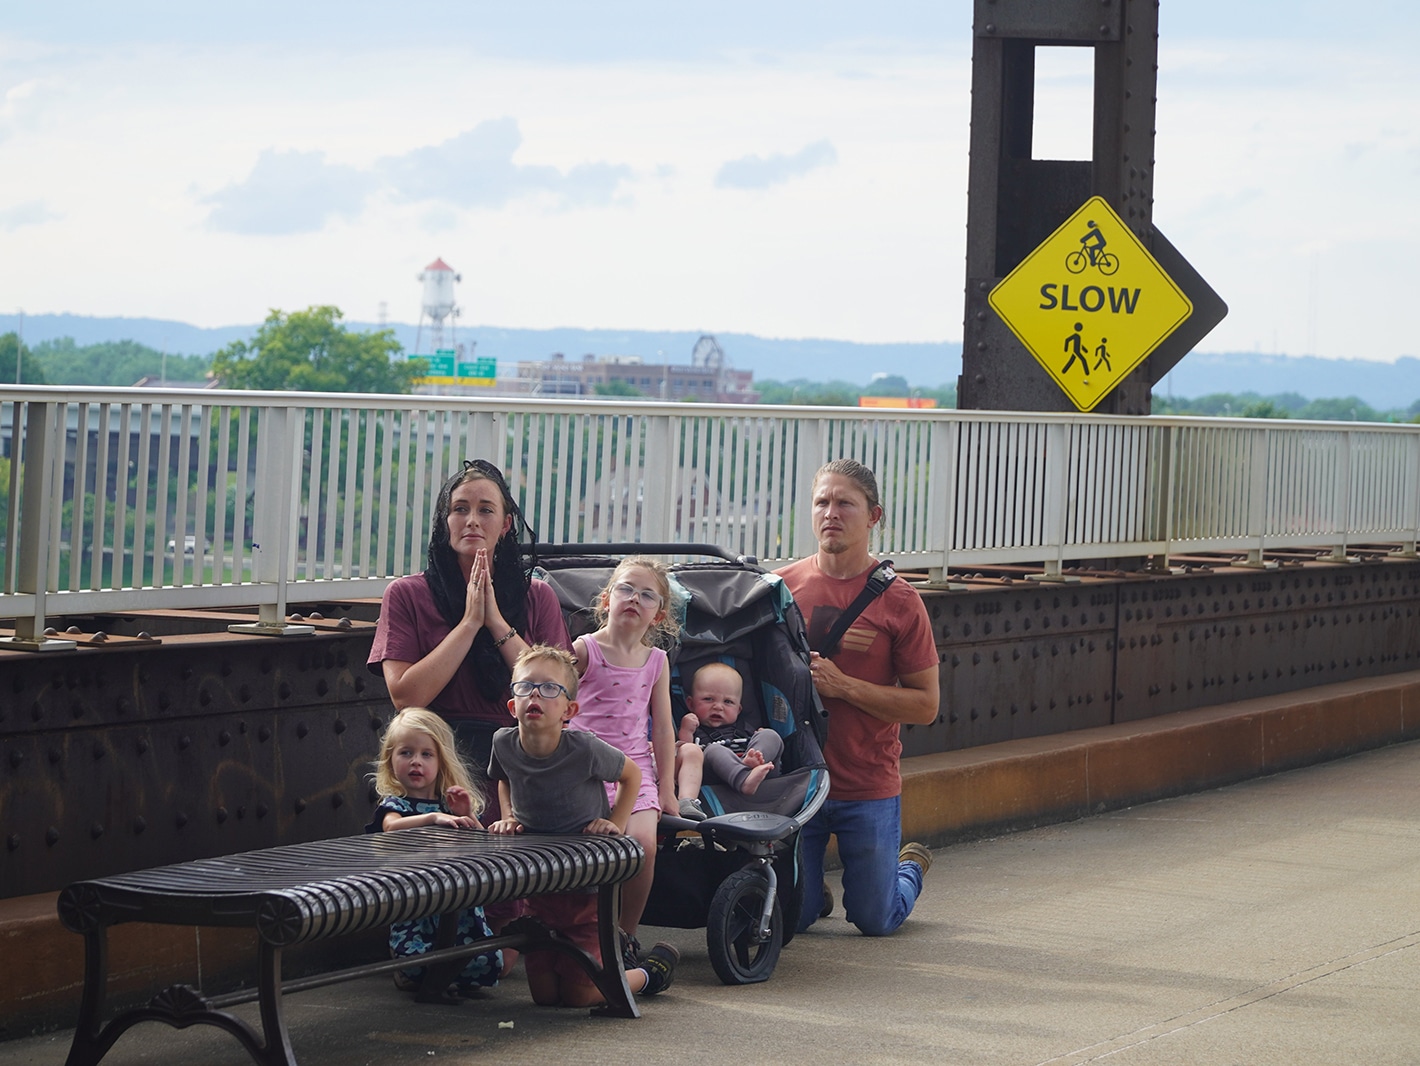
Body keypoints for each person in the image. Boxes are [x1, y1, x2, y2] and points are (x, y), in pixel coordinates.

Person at [776, 458, 940, 936]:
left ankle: (906, 869)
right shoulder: (780, 589)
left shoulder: (901, 600)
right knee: (793, 919)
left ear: (873, 517)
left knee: (875, 919)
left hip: (867, 783)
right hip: (798, 784)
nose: (831, 512)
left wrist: (842, 686)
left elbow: (926, 706)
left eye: (845, 503)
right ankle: (810, 894)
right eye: (821, 502)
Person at [368, 459, 571, 810]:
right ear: (444, 522)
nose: (472, 520)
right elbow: (406, 697)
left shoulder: (537, 596)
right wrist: (468, 624)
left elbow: (556, 691)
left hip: (520, 750)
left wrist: (495, 623)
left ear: (506, 524)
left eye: (485, 510)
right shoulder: (406, 594)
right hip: (437, 756)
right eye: (460, 509)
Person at [488, 645, 678, 1006]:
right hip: (540, 880)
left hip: (587, 885)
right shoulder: (504, 743)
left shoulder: (583, 749)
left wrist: (614, 823)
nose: (535, 696)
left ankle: (648, 973)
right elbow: (503, 777)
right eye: (525, 687)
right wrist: (509, 815)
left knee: (579, 995)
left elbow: (632, 775)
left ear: (569, 710)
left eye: (549, 689)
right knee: (545, 997)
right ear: (512, 705)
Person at [566, 558, 679, 962]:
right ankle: (577, 930)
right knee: (586, 848)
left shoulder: (656, 662)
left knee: (644, 844)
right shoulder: (584, 650)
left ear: (658, 614)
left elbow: (663, 728)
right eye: (626, 589)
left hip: (634, 770)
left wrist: (666, 788)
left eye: (647, 594)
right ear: (606, 599)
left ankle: (623, 935)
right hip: (585, 770)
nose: (635, 598)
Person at [366, 707, 508, 994]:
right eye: (406, 753)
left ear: (441, 761)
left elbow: (481, 844)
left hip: (456, 899)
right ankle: (418, 975)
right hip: (415, 901)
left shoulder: (448, 805)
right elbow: (391, 828)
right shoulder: (396, 805)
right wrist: (433, 819)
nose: (416, 762)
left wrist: (466, 814)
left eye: (426, 754)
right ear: (390, 760)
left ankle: (456, 976)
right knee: (417, 961)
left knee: (486, 960)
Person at [674, 661, 780, 820]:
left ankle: (748, 768)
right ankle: (744, 778)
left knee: (771, 735)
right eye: (708, 699)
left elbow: (761, 740)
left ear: (738, 709)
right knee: (713, 750)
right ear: (690, 703)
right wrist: (685, 730)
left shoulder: (744, 726)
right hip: (716, 776)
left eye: (728, 702)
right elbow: (685, 754)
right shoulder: (695, 728)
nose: (718, 707)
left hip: (757, 769)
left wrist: (760, 740)